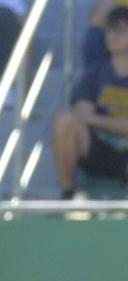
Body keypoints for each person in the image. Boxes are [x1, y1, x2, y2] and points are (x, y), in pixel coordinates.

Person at [54, 7, 128, 199]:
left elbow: (88, 117)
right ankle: (68, 194)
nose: (113, 36)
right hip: (100, 149)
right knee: (64, 121)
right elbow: (79, 114)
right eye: (110, 30)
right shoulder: (94, 73)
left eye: (121, 31)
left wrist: (95, 120)